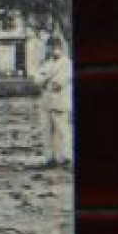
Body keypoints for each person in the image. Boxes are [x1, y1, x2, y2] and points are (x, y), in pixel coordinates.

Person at [35, 36, 73, 168]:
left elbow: (58, 83)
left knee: (62, 130)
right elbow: (36, 80)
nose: (53, 50)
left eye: (56, 47)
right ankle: (50, 158)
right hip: (45, 102)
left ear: (61, 48)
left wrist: (45, 81)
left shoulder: (67, 63)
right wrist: (45, 81)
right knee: (46, 131)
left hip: (60, 101)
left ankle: (66, 157)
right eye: (50, 47)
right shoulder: (46, 63)